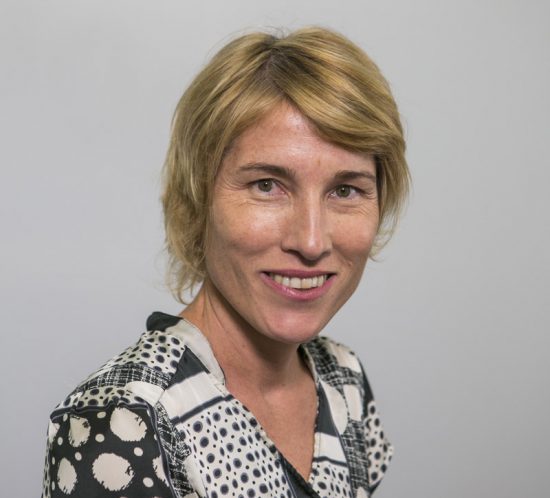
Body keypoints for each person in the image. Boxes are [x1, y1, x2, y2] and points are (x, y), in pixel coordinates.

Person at [42, 26, 409, 498]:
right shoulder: (121, 422)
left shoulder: (343, 381)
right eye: (266, 185)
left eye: (345, 190)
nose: (312, 240)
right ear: (197, 199)